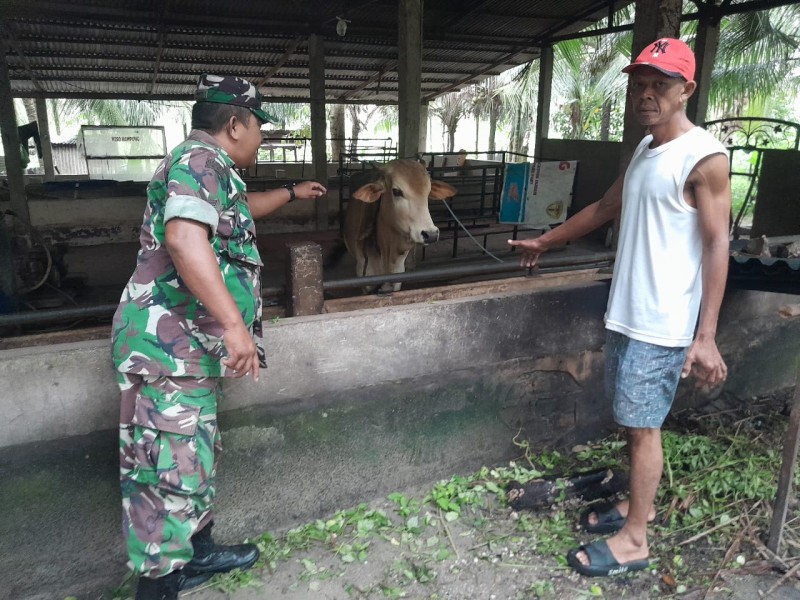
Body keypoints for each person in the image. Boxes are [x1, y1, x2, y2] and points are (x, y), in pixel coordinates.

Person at [508, 38, 730, 577]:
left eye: (661, 84)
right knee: (633, 423)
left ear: (687, 91)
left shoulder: (704, 157)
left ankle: (635, 540)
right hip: (628, 313)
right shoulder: (645, 148)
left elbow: (716, 244)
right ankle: (641, 505)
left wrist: (705, 336)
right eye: (641, 84)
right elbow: (607, 207)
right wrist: (546, 242)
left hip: (663, 322)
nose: (647, 94)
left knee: (644, 426)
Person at [111, 73, 326, 599]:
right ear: (235, 124)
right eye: (259, 128)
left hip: (186, 351)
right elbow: (185, 238)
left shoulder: (213, 170)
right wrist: (234, 326)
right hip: (168, 350)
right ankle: (160, 586)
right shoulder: (199, 162)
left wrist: (292, 192)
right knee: (169, 470)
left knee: (194, 456)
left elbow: (235, 214)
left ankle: (198, 554)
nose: (261, 138)